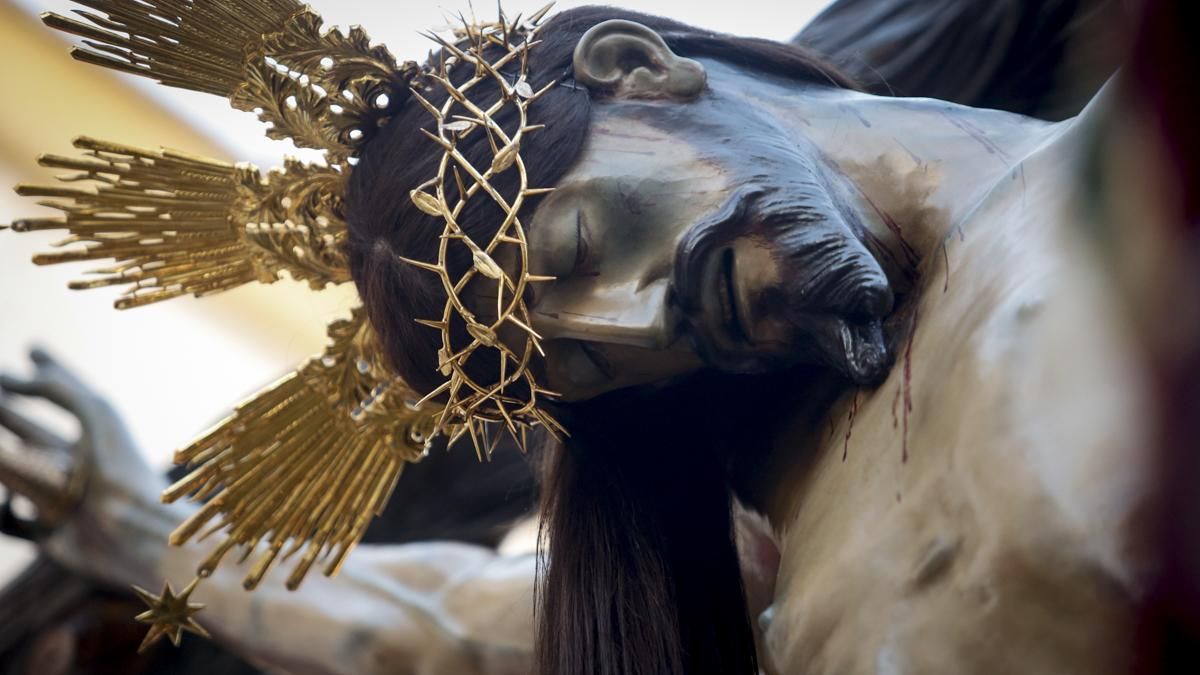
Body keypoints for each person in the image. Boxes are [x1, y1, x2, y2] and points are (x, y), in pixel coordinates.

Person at [0, 2, 1171, 674]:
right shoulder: (772, 550)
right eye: (588, 365)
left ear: (634, 68)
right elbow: (439, 629)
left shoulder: (1132, 168)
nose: (641, 319)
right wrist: (148, 539)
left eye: (575, 246)